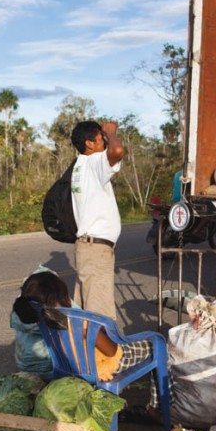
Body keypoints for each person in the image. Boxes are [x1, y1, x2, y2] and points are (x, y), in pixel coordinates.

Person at [11, 265, 163, 422]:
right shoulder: (80, 324)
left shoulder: (38, 319)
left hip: (65, 369)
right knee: (155, 345)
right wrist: (95, 332)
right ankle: (156, 410)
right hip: (95, 367)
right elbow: (112, 351)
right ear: (63, 298)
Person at [70, 121, 125, 320]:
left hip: (88, 248)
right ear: (89, 144)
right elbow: (117, 150)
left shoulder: (80, 165)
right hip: (95, 250)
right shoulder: (93, 163)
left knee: (86, 314)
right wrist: (111, 131)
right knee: (100, 319)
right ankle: (103, 352)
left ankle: (84, 350)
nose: (105, 142)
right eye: (101, 139)